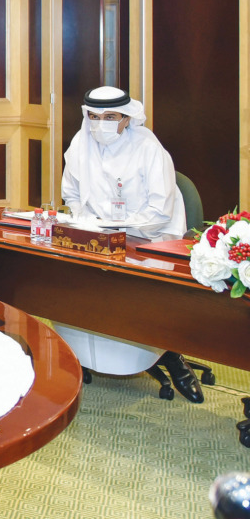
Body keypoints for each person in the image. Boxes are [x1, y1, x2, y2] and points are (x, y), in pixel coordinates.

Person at [54, 85, 202, 402]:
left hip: (149, 235)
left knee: (140, 294)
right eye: (93, 117)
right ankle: (83, 353)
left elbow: (160, 211)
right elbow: (72, 194)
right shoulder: (81, 144)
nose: (100, 124)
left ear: (126, 118)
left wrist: (119, 227)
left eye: (109, 117)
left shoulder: (149, 150)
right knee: (72, 279)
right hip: (98, 235)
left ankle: (170, 353)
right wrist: (85, 221)